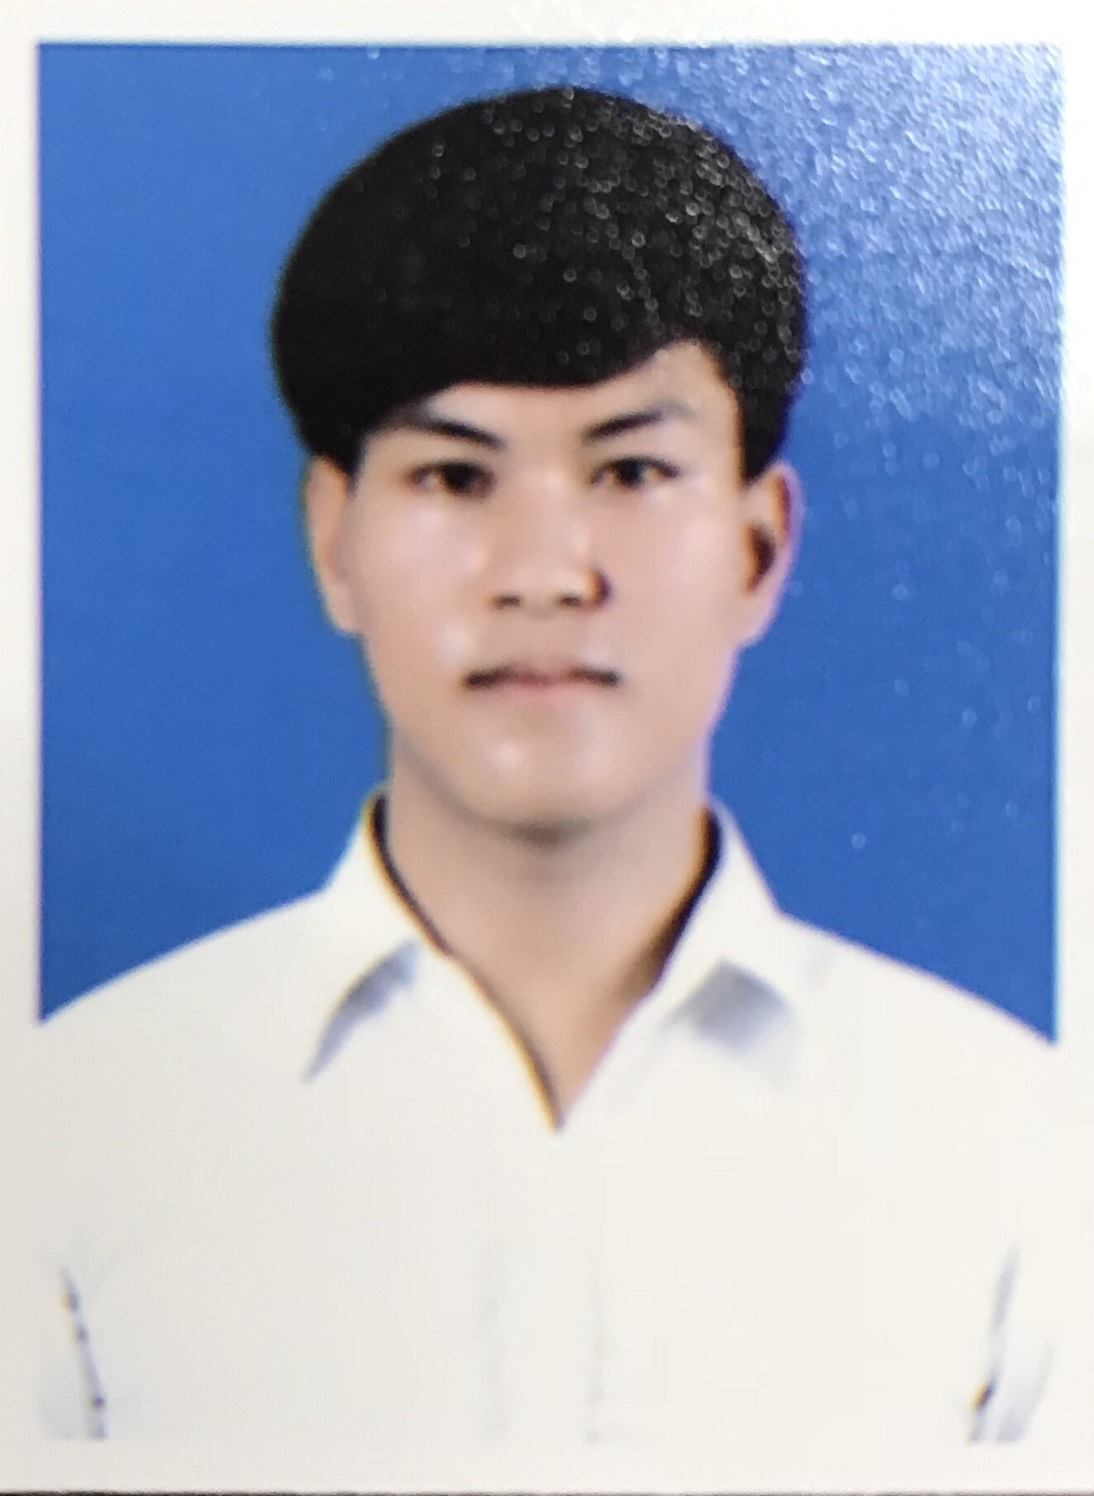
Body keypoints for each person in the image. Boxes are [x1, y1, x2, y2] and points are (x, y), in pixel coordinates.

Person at [26, 84, 1069, 1468]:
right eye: (455, 480)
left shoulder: (1015, 1150)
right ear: (334, 539)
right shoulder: (68, 1134)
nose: (543, 573)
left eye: (631, 472)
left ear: (758, 548)